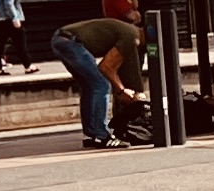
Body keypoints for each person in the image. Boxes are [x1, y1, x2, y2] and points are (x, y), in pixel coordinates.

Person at [52, 10, 146, 147]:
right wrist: (121, 90)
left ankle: (91, 134)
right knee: (101, 84)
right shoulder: (132, 37)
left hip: (61, 39)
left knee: (89, 86)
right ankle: (102, 136)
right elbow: (106, 67)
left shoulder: (130, 31)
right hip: (72, 42)